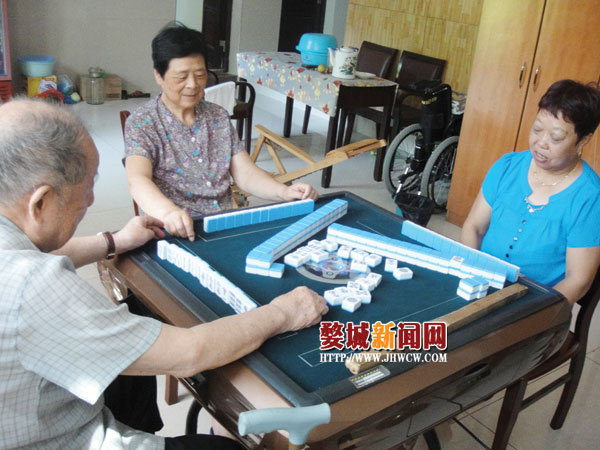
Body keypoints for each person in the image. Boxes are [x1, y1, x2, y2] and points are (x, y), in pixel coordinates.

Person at [0, 98, 328, 449]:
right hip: (59, 439)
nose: (91, 200)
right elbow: (189, 353)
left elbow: (32, 252)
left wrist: (114, 241)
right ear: (40, 202)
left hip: (39, 407)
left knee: (134, 335)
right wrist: (283, 313)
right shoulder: (33, 287)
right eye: (87, 185)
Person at [124, 24, 318, 241]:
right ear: (159, 76)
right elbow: (137, 180)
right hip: (177, 231)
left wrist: (283, 192)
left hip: (225, 224)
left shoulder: (217, 116)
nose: (193, 85)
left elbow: (245, 173)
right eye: (181, 77)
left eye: (200, 75)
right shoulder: (143, 123)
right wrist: (169, 213)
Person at [461, 79, 600, 305]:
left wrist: (529, 313)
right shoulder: (507, 166)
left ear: (583, 140)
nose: (541, 143)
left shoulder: (590, 197)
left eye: (556, 138)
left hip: (536, 306)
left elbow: (578, 280)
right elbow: (474, 227)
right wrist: (470, 275)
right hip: (479, 286)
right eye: (537, 129)